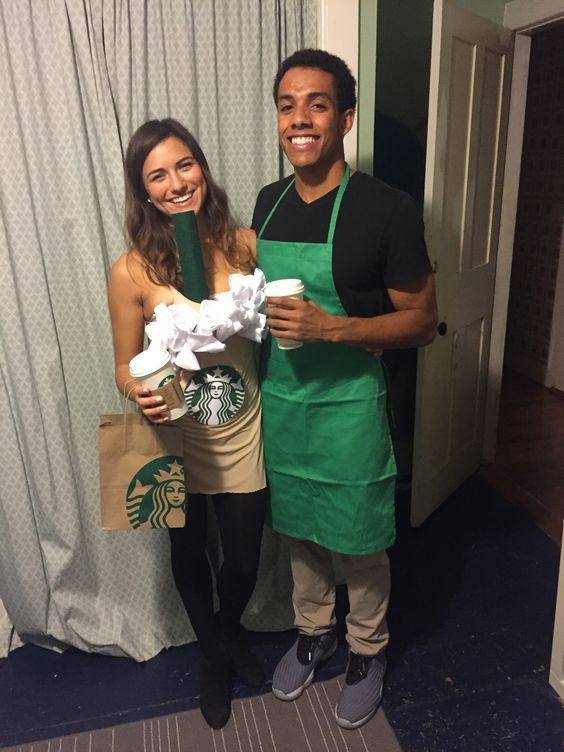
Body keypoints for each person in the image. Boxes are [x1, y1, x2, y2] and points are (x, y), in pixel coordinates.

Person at [251, 49, 438, 729]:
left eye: (318, 104)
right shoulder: (267, 204)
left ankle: (367, 649)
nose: (299, 118)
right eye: (287, 104)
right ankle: (312, 633)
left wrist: (331, 329)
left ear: (345, 118)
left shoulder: (385, 209)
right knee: (299, 528)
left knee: (358, 537)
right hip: (284, 401)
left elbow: (421, 320)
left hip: (350, 404)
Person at [108, 118, 267, 729]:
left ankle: (226, 637)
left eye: (184, 165)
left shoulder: (246, 244)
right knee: (187, 549)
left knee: (245, 558)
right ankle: (214, 657)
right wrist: (138, 394)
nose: (176, 182)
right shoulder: (132, 271)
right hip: (172, 434)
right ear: (144, 192)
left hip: (242, 429)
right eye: (158, 175)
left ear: (202, 167)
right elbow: (124, 367)